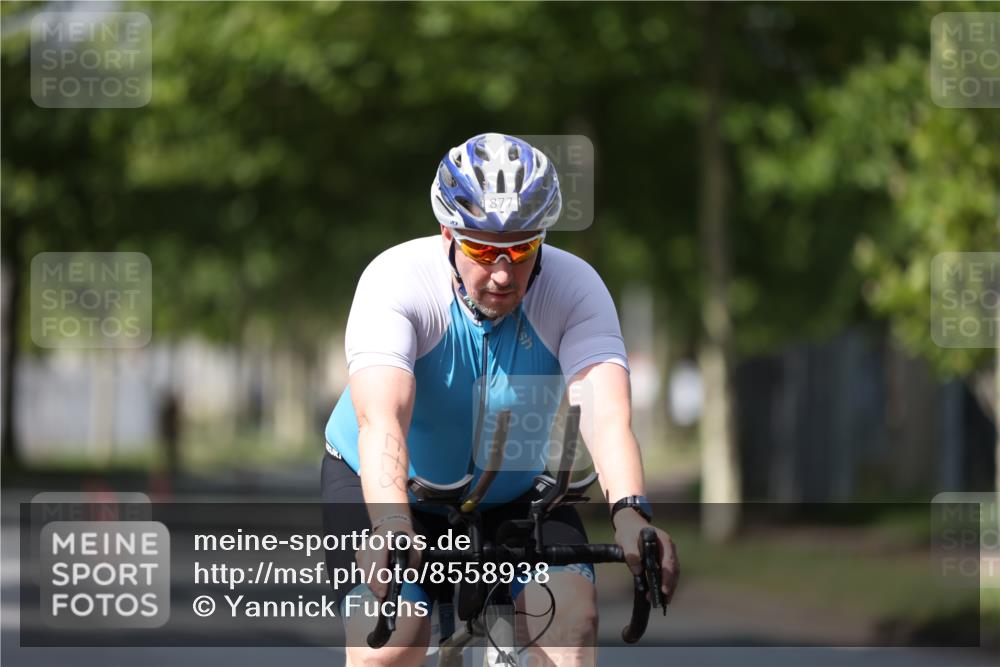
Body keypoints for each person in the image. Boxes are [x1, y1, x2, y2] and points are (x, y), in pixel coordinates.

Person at [321, 133, 679, 667]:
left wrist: (630, 513)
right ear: (448, 234)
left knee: (573, 623)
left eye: (521, 249)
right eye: (484, 251)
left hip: (516, 494)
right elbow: (383, 421)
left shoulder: (575, 288)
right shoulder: (397, 281)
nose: (504, 272)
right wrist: (391, 524)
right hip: (391, 491)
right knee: (392, 644)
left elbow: (606, 416)